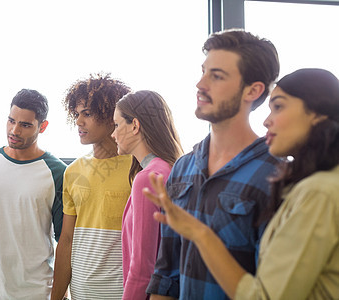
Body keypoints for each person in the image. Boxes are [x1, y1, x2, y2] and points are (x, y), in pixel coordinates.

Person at [145, 68, 339, 299]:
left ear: (316, 113)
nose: (267, 121)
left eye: (279, 106)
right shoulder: (184, 166)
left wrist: (199, 233)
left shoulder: (318, 191)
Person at [145, 29, 281, 300]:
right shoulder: (183, 168)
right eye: (203, 71)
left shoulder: (277, 176)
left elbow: (272, 288)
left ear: (253, 90)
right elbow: (166, 273)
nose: (200, 83)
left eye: (216, 76)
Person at [0, 89, 67, 300]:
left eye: (25, 125)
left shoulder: (58, 173)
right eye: (11, 121)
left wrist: (60, 294)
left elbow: (64, 239)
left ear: (42, 126)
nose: (14, 130)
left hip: (38, 292)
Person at [51, 73, 132, 300]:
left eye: (87, 113)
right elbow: (66, 239)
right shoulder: (73, 172)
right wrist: (57, 296)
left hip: (123, 293)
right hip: (80, 293)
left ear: (111, 116)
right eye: (77, 114)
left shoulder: (139, 170)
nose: (78, 121)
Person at [111, 90, 184, 300]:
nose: (113, 134)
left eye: (117, 125)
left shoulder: (148, 178)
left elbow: (143, 268)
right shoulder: (171, 169)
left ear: (134, 125)